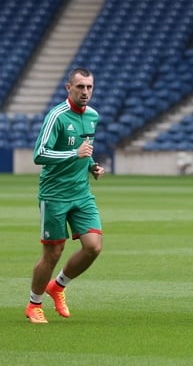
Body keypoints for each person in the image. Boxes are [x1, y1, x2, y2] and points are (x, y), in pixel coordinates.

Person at [25, 67, 105, 323]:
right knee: (53, 252)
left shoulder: (92, 116)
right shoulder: (56, 116)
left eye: (89, 87)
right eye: (80, 87)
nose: (85, 92)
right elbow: (39, 154)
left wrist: (92, 165)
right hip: (55, 194)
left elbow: (84, 148)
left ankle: (57, 286)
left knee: (93, 247)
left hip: (81, 193)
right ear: (68, 88)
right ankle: (34, 304)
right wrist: (75, 154)